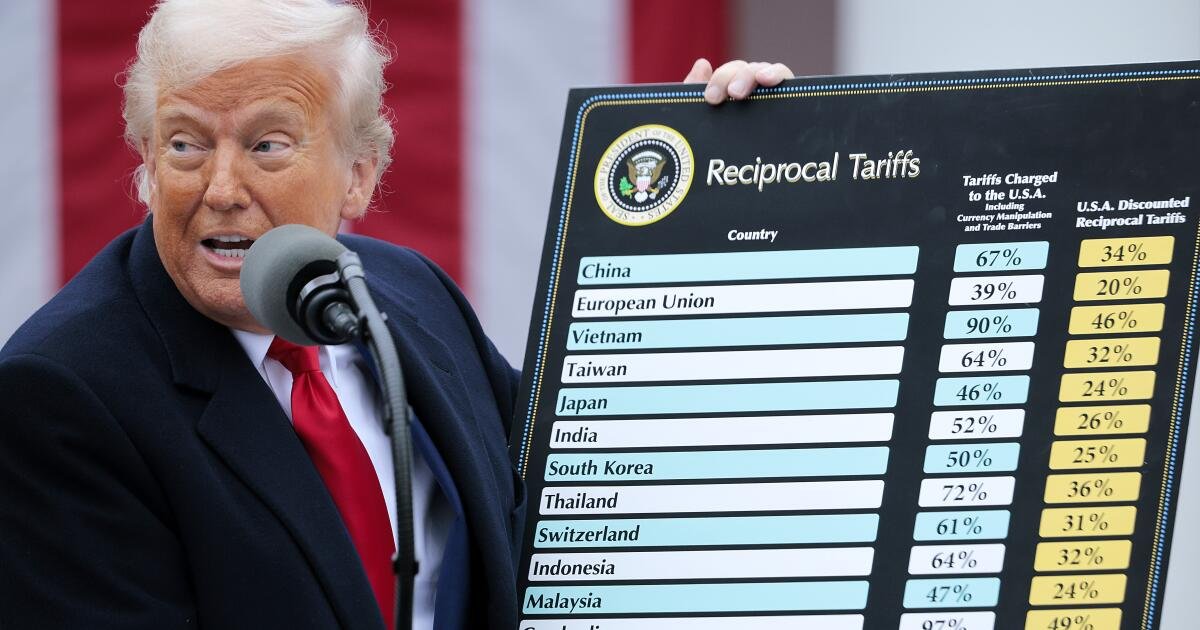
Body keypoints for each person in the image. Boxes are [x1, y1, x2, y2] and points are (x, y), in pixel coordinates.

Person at [0, 1, 793, 628]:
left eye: (268, 145)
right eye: (185, 145)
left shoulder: (407, 294)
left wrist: (716, 194)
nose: (222, 187)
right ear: (145, 163)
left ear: (359, 174)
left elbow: (589, 488)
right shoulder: (60, 395)